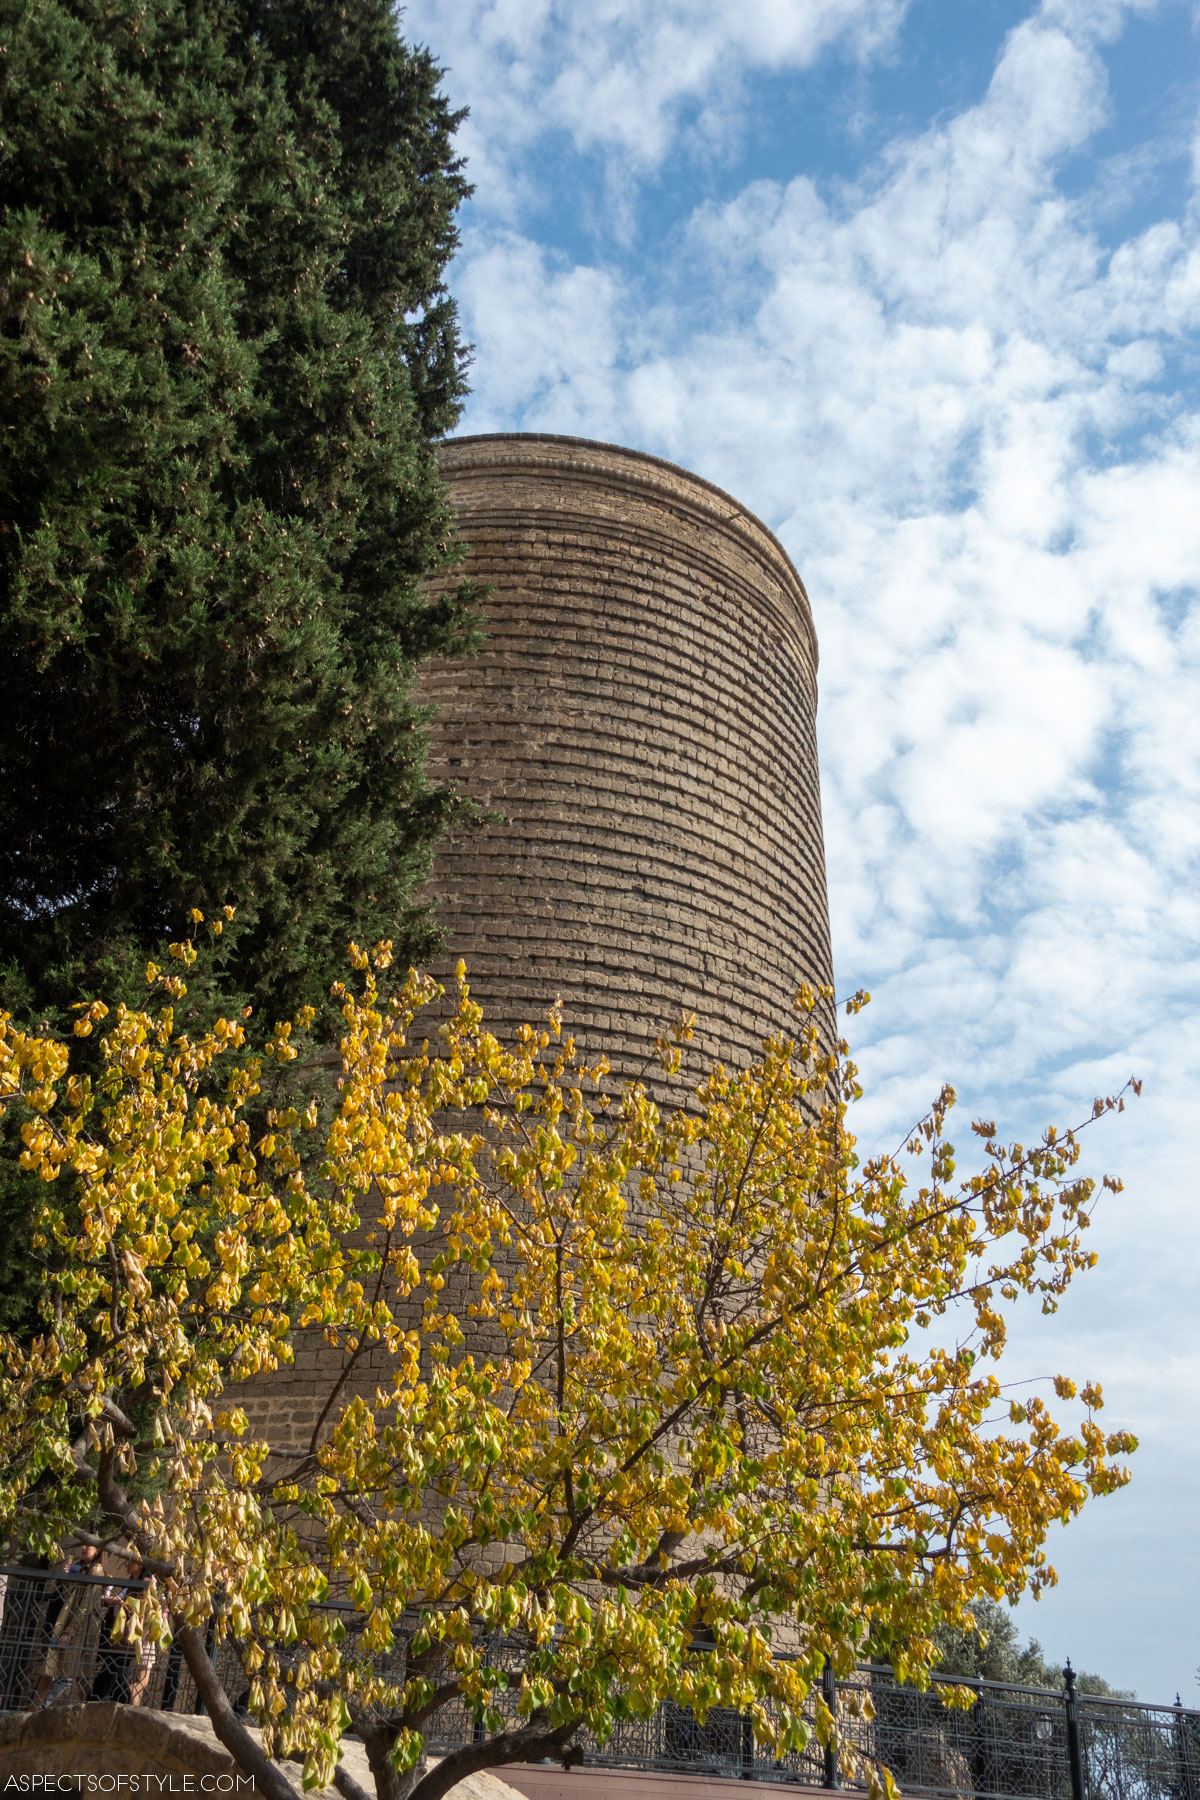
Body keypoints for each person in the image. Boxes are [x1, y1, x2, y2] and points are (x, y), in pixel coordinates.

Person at [88, 1550, 150, 1705]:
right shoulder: (130, 1583)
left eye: (132, 1561)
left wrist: (121, 1602)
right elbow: (112, 1600)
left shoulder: (146, 1583)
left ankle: (93, 1702)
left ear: (141, 1565)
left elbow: (141, 1607)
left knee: (112, 1673)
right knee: (117, 1675)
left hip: (127, 1637)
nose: (128, 1564)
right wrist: (110, 1594)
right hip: (117, 1637)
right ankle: (121, 1706)